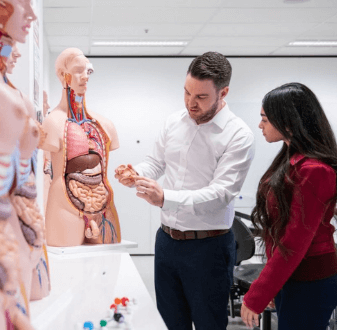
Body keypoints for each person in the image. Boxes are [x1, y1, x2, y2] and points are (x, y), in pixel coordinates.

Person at [115, 51, 255, 330]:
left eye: (201, 97)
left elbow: (220, 195)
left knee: (208, 324)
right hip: (166, 242)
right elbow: (156, 162)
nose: (191, 102)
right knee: (169, 322)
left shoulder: (238, 135)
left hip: (209, 247)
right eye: (187, 92)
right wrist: (136, 174)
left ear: (223, 92)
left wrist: (165, 198)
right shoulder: (174, 122)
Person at [241, 82, 337, 330]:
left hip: (310, 279)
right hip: (294, 276)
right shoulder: (290, 158)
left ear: (287, 121)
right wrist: (275, 284)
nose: (260, 125)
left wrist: (258, 294)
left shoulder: (314, 171)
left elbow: (294, 242)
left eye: (265, 118)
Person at [40, 48, 121, 247]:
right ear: (62, 74)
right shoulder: (53, 123)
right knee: (67, 272)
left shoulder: (105, 124)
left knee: (105, 268)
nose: (85, 77)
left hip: (103, 205)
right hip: (64, 208)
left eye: (88, 71)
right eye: (78, 70)